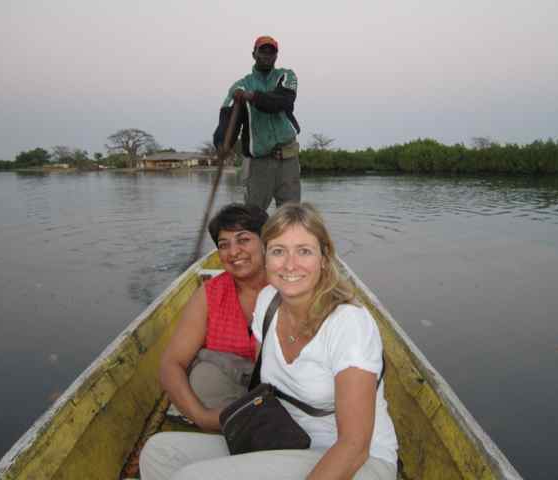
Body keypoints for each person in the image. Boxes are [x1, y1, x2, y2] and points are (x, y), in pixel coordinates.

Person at [140, 203, 398, 480]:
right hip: (287, 438)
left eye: (304, 251)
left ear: (324, 258)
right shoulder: (268, 304)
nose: (290, 264)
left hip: (356, 461)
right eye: (278, 251)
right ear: (266, 257)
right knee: (159, 453)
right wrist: (211, 417)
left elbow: (354, 447)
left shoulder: (349, 323)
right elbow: (264, 388)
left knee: (191, 477)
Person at [158, 203, 268, 432]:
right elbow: (172, 364)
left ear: (265, 242)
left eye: (243, 239)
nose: (233, 252)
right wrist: (201, 416)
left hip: (282, 388)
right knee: (203, 376)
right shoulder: (210, 294)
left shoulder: (290, 285)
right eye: (223, 245)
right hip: (227, 394)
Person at [213, 35, 301, 211]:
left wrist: (253, 96)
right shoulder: (240, 86)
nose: (267, 55)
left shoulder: (286, 76)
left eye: (271, 52)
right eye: (263, 51)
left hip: (288, 159)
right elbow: (228, 118)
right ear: (254, 54)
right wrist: (222, 143)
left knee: (291, 215)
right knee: (253, 215)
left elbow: (281, 101)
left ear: (276, 56)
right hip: (259, 162)